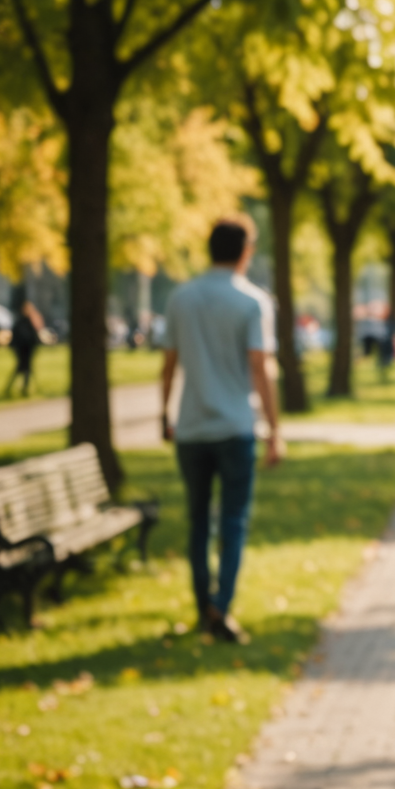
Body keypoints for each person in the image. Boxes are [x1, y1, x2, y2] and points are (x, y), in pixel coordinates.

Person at [161, 217, 283, 645]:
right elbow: (260, 367)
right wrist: (274, 428)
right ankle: (221, 606)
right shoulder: (252, 302)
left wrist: (164, 412)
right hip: (235, 426)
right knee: (233, 520)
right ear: (245, 251)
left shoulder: (181, 298)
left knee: (198, 521)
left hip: (192, 427)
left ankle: (203, 607)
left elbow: (169, 363)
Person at [2, 300, 43, 397]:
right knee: (23, 369)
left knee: (26, 370)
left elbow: (34, 335)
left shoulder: (29, 321)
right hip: (22, 350)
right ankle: (19, 389)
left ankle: (23, 388)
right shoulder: (21, 322)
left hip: (28, 349)